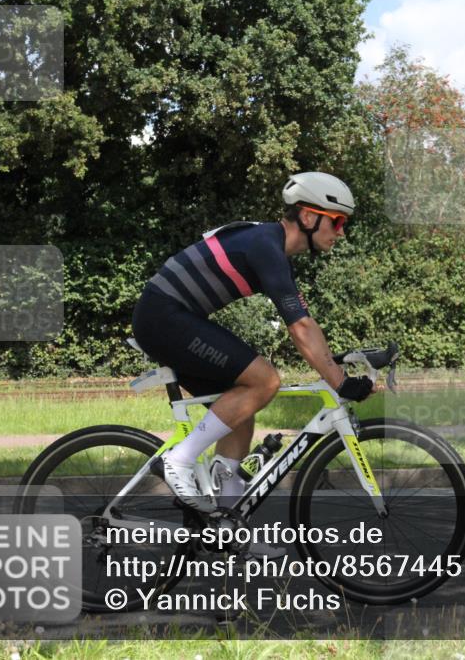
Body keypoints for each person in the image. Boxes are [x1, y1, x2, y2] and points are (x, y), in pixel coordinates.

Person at [131, 172, 375, 523]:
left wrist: (335, 365)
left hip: (168, 317)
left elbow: (305, 322)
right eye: (337, 222)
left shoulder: (272, 247)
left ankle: (229, 524)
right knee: (265, 381)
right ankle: (179, 460)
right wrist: (340, 381)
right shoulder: (266, 246)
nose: (341, 232)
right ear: (308, 217)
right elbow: (300, 328)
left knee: (240, 413)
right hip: (163, 317)